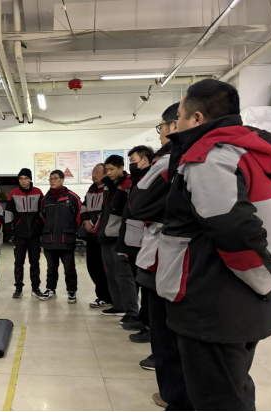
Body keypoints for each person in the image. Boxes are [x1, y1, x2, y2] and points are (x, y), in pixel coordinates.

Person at [158, 79, 271, 411]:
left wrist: (267, 280)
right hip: (238, 299)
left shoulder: (210, 157)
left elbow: (233, 230)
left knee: (217, 399)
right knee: (233, 388)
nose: (175, 126)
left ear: (197, 118)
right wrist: (270, 276)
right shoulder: (248, 149)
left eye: (179, 118)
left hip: (213, 301)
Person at [130, 102, 195, 411]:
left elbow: (138, 203)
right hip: (190, 260)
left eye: (162, 127)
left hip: (169, 258)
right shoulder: (229, 154)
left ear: (176, 124)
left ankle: (175, 396)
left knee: (167, 332)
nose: (160, 134)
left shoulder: (172, 161)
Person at [116, 146, 154, 337]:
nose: (130, 165)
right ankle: (142, 318)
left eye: (132, 161)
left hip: (146, 239)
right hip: (134, 238)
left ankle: (149, 324)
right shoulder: (138, 180)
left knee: (146, 282)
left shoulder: (151, 179)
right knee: (138, 279)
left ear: (144, 160)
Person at [96, 155, 133, 319]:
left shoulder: (128, 185)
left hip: (120, 237)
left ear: (121, 168)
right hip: (106, 235)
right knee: (110, 274)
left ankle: (131, 311)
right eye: (107, 170)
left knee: (123, 275)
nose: (109, 173)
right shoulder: (108, 186)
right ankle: (117, 305)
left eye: (112, 169)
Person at [40, 170, 82, 304]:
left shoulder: (72, 198)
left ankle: (72, 291)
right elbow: (42, 218)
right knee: (51, 267)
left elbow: (78, 217)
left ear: (62, 180)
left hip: (66, 239)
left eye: (55, 178)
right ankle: (50, 290)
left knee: (69, 268)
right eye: (50, 179)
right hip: (50, 240)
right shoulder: (45, 200)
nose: (52, 181)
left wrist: (70, 231)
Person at [4, 168, 44, 299]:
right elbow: (8, 214)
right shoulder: (13, 193)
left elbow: (43, 214)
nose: (23, 181)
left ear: (30, 179)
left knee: (35, 263)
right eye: (20, 179)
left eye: (26, 178)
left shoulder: (38, 192)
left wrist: (42, 231)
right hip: (19, 234)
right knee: (18, 263)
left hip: (35, 234)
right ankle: (18, 288)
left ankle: (35, 288)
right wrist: (8, 232)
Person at [81, 164, 112, 309]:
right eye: (93, 172)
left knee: (105, 267)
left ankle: (108, 297)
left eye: (97, 172)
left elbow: (106, 212)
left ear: (105, 174)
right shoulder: (91, 190)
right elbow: (84, 208)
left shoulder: (109, 189)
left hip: (104, 235)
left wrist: (96, 226)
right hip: (91, 236)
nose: (94, 175)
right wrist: (86, 222)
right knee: (93, 266)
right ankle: (102, 295)